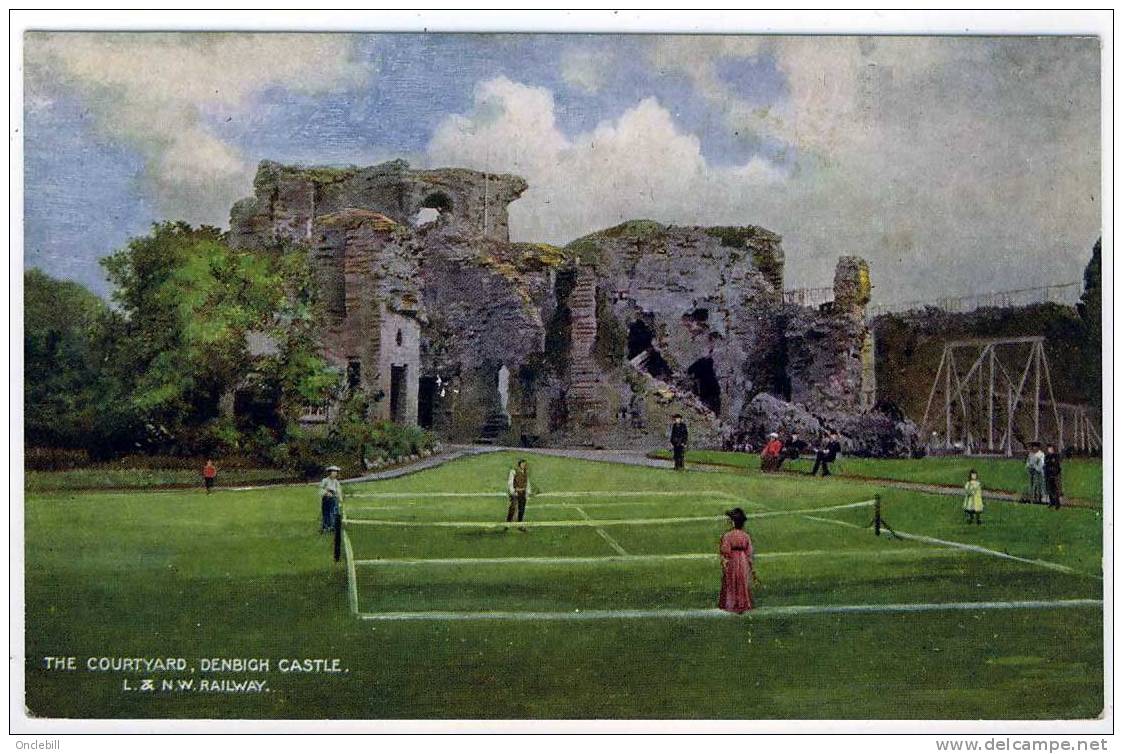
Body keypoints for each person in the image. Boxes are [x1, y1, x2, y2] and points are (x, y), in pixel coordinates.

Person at [718, 507, 755, 613]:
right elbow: (749, 551)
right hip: (742, 559)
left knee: (731, 580)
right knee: (742, 580)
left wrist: (724, 561)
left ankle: (731, 604)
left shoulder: (728, 536)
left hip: (733, 559)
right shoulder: (746, 536)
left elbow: (725, 550)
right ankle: (742, 603)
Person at [506, 459, 532, 529]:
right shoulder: (513, 471)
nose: (524, 465)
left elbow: (527, 483)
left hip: (522, 493)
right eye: (523, 464)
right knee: (512, 508)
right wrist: (513, 491)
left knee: (522, 509)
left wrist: (528, 492)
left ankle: (520, 524)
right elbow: (510, 482)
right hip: (516, 493)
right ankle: (507, 523)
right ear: (519, 464)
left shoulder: (525, 473)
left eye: (525, 464)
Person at [319, 465, 344, 534]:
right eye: (333, 471)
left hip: (334, 498)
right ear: (330, 472)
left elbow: (338, 490)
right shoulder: (325, 480)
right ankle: (325, 527)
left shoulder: (336, 482)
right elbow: (321, 489)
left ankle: (333, 526)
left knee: (334, 512)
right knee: (326, 513)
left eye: (336, 472)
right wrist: (326, 493)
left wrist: (340, 498)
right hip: (326, 499)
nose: (335, 473)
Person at [1044, 443, 1064, 509]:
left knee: (1056, 490)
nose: (1049, 450)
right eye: (1048, 448)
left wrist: (1055, 473)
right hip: (1048, 475)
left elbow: (1057, 466)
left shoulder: (1056, 456)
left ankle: (1057, 503)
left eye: (1051, 448)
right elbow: (1046, 465)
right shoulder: (1047, 457)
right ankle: (1051, 502)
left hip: (1055, 475)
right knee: (1050, 489)